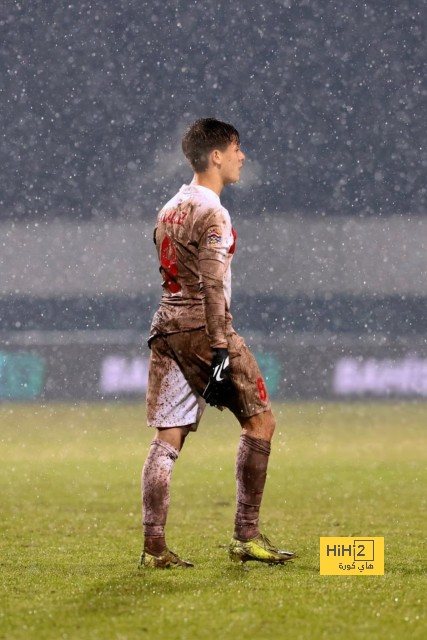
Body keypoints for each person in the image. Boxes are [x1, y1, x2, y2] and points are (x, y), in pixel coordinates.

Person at [139, 118, 297, 568]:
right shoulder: (213, 212)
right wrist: (221, 346)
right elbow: (211, 284)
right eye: (236, 148)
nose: (241, 156)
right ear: (215, 156)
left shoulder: (169, 207)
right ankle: (245, 536)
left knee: (167, 439)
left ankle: (154, 548)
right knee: (260, 423)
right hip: (203, 331)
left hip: (165, 327)